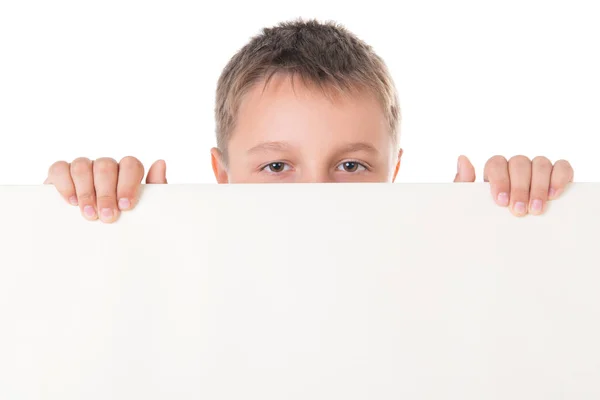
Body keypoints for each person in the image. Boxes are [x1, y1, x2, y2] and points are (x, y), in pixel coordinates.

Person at [44, 19, 573, 224]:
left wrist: (511, 234)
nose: (317, 193)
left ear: (393, 171)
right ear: (222, 173)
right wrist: (86, 223)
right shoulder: (181, 280)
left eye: (350, 164)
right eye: (276, 165)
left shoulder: (438, 275)